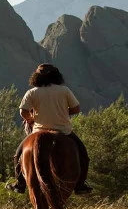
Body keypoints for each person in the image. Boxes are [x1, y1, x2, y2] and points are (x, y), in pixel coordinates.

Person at [6, 63, 92, 194]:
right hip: (64, 131)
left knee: (18, 155)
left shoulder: (32, 92)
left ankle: (20, 183)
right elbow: (76, 108)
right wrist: (62, 112)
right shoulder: (64, 90)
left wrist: (31, 119)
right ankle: (80, 185)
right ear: (56, 76)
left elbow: (23, 111)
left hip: (39, 130)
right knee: (83, 156)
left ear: (36, 77)